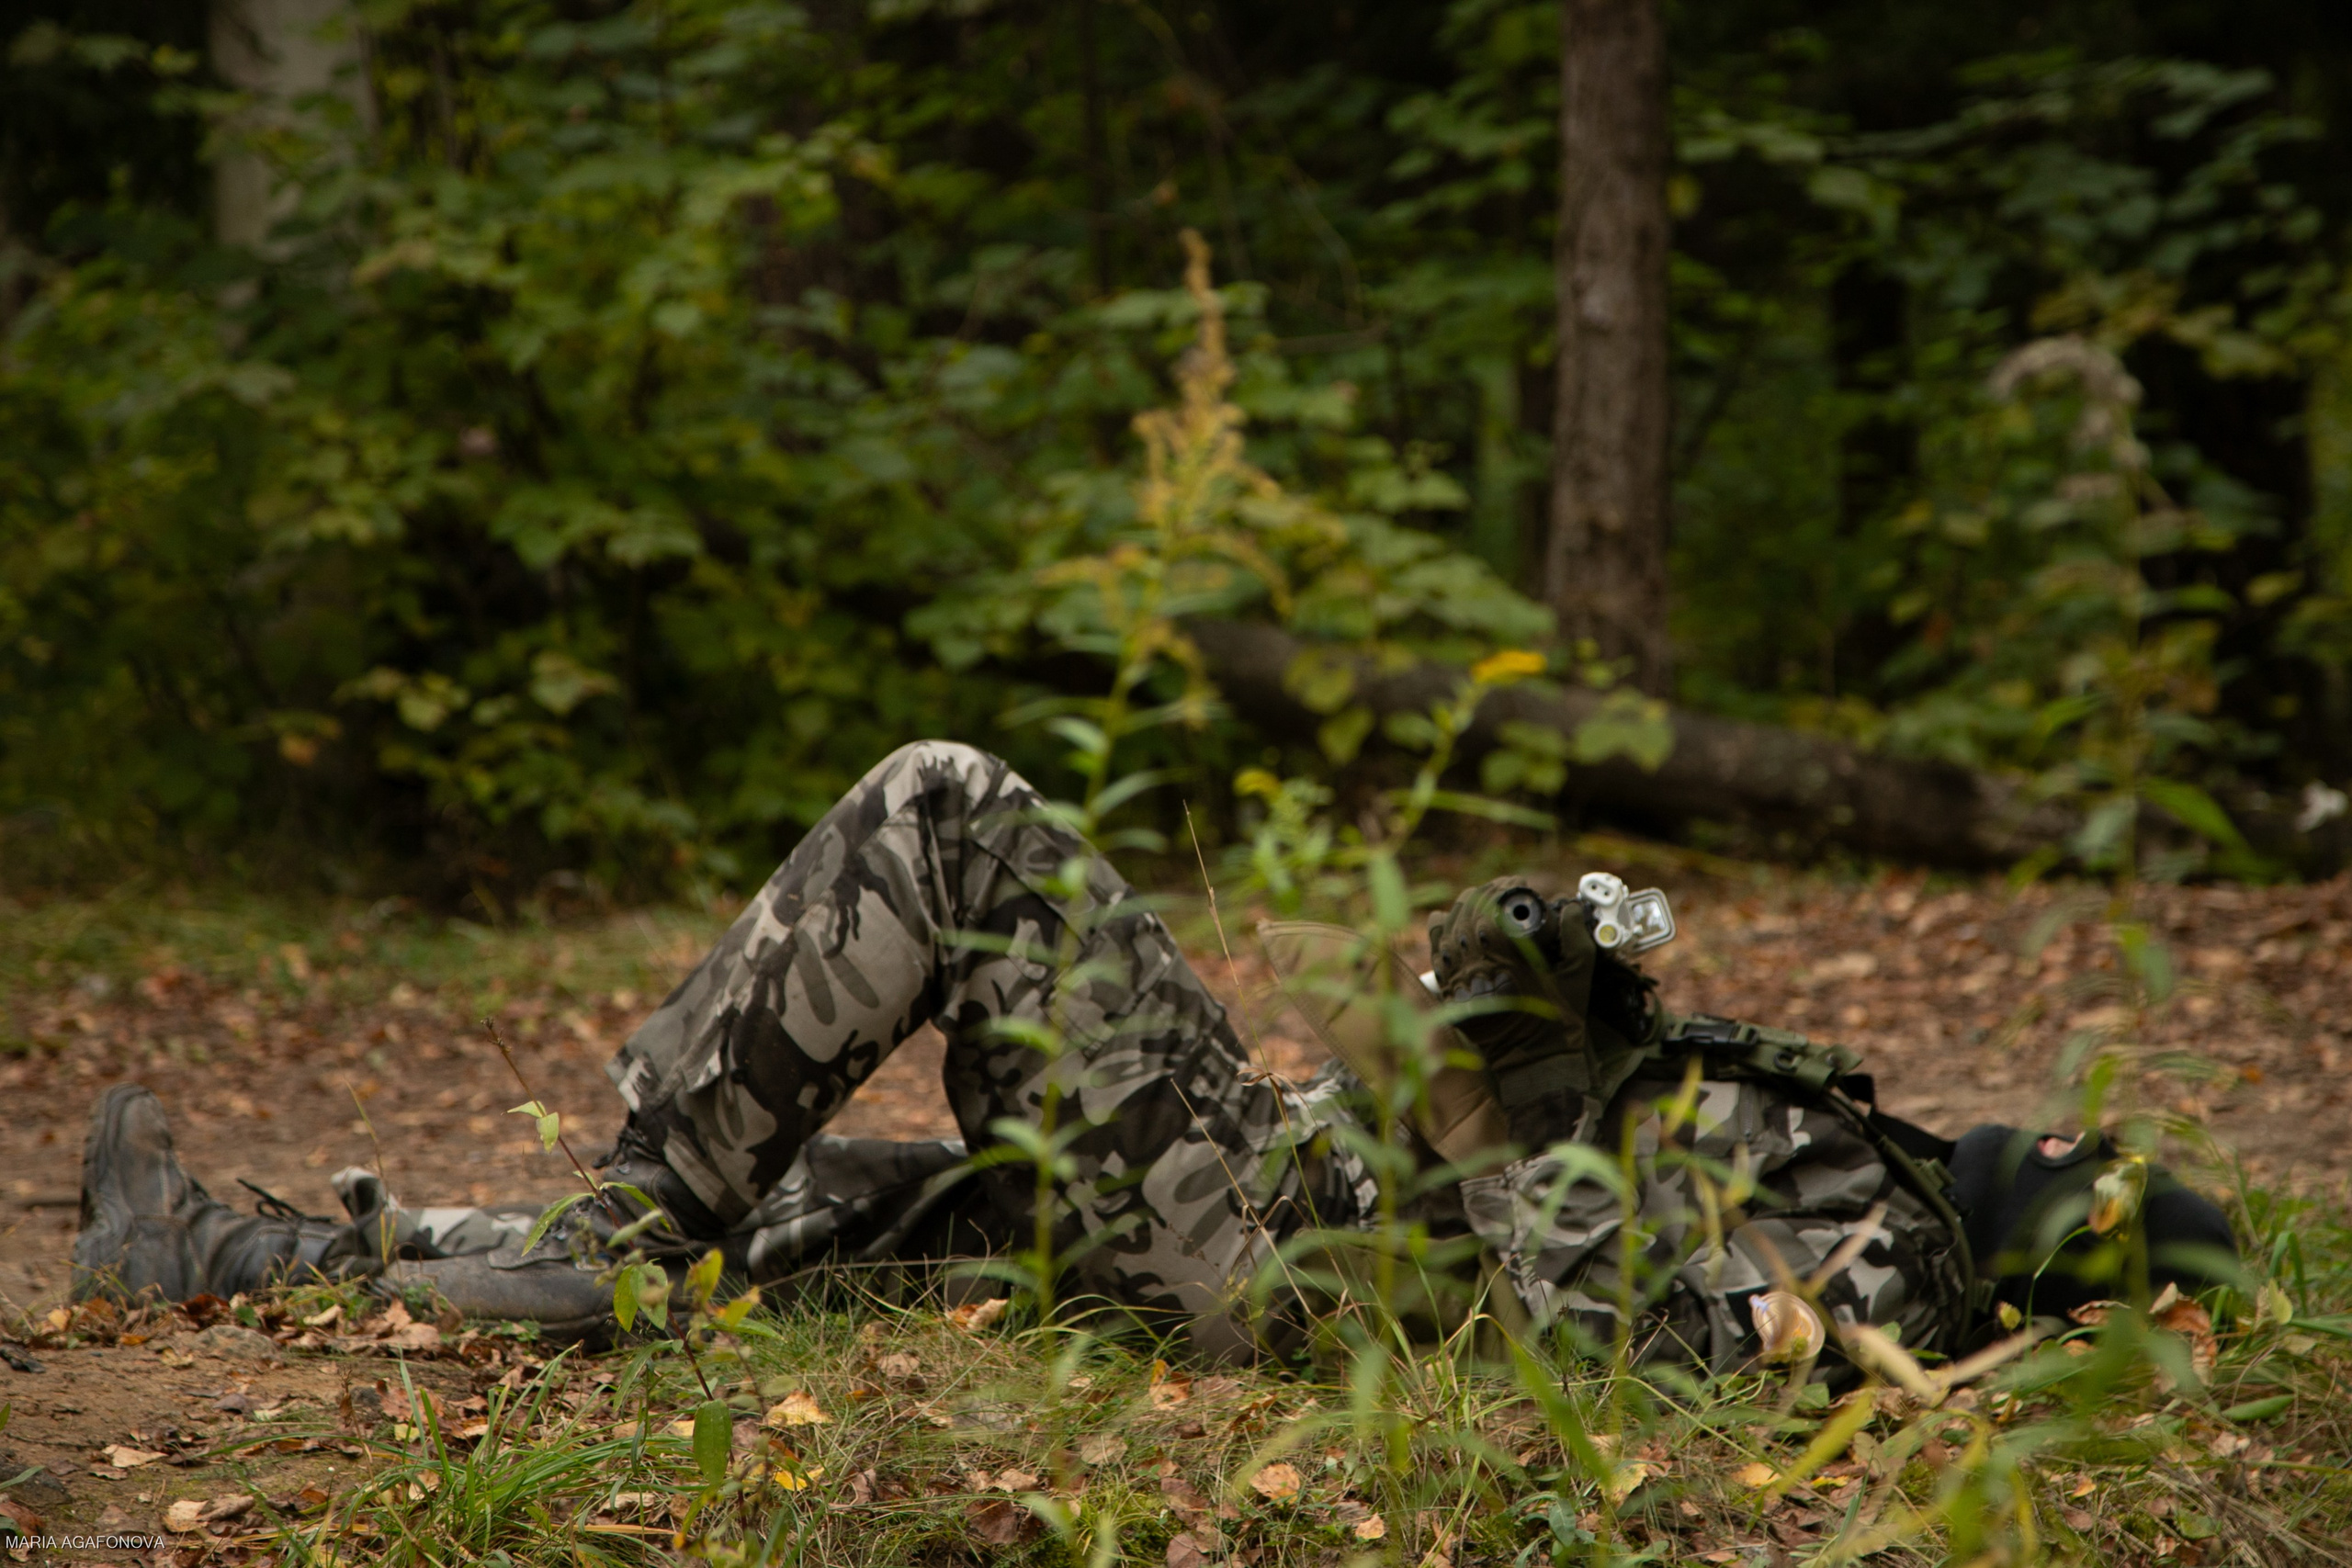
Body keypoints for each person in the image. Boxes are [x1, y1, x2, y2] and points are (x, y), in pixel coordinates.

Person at [70, 740, 2228, 1367]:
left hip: (1275, 1256)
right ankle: (225, 1256)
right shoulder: (1828, 1132)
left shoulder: (1899, 1259)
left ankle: (639, 1196)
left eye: (2076, 1162)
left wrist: (1506, 1076)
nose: (2037, 1135)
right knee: (805, 1232)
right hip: (1264, 1189)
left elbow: (1634, 1352)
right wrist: (1543, 989)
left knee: (945, 809)